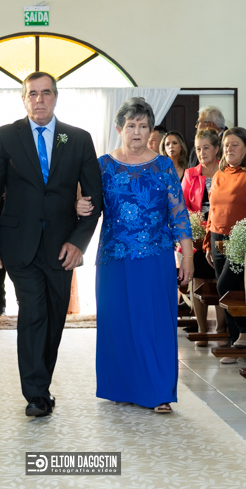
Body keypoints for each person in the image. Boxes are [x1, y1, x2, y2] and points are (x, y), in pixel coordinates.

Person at [0, 71, 102, 417]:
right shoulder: (6, 136)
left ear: (56, 97)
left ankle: (41, 385)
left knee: (55, 316)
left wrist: (78, 242)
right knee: (34, 312)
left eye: (46, 93)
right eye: (32, 93)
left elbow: (94, 199)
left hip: (62, 247)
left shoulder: (78, 139)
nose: (39, 99)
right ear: (24, 99)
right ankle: (35, 393)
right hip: (19, 244)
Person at [91, 97, 193, 413]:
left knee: (155, 324)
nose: (137, 131)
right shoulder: (103, 165)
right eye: (131, 125)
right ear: (119, 128)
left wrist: (187, 255)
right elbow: (89, 205)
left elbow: (178, 213)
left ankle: (159, 392)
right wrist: (79, 205)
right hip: (113, 258)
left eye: (143, 125)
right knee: (118, 323)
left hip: (155, 257)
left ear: (151, 130)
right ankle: (122, 387)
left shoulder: (163, 166)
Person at [204, 128, 246, 363]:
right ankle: (236, 341)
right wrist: (207, 243)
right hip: (217, 237)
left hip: (243, 238)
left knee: (226, 285)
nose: (229, 149)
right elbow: (213, 209)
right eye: (226, 145)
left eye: (235, 145)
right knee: (226, 292)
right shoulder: (219, 174)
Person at [181, 129, 221, 347]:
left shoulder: (225, 171)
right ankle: (202, 329)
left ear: (216, 149)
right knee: (198, 280)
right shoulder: (190, 174)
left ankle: (221, 330)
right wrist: (196, 225)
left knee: (219, 280)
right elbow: (183, 204)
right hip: (198, 233)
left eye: (206, 148)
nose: (202, 152)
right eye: (198, 149)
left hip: (219, 231)